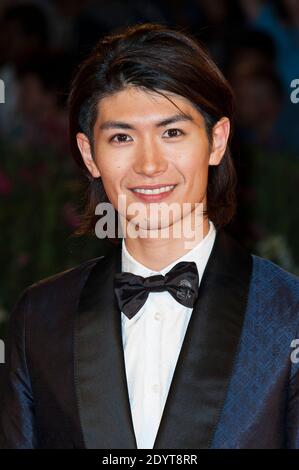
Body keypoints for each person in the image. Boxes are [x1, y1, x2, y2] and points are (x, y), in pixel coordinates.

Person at [0, 23, 299, 449]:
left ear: (217, 141)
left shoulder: (289, 314)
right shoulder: (41, 317)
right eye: (122, 137)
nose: (150, 164)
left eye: (172, 132)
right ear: (89, 155)